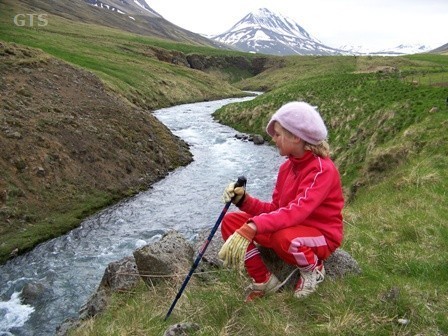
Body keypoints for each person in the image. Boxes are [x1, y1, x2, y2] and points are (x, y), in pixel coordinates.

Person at [218, 101, 344, 302]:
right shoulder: (287, 168)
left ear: (295, 137)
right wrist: (244, 201)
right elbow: (276, 209)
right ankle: (264, 281)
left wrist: (254, 226)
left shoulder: (322, 170)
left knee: (284, 238)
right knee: (231, 222)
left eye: (277, 134)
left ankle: (313, 269)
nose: (273, 138)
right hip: (290, 228)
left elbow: (297, 211)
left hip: (322, 236)